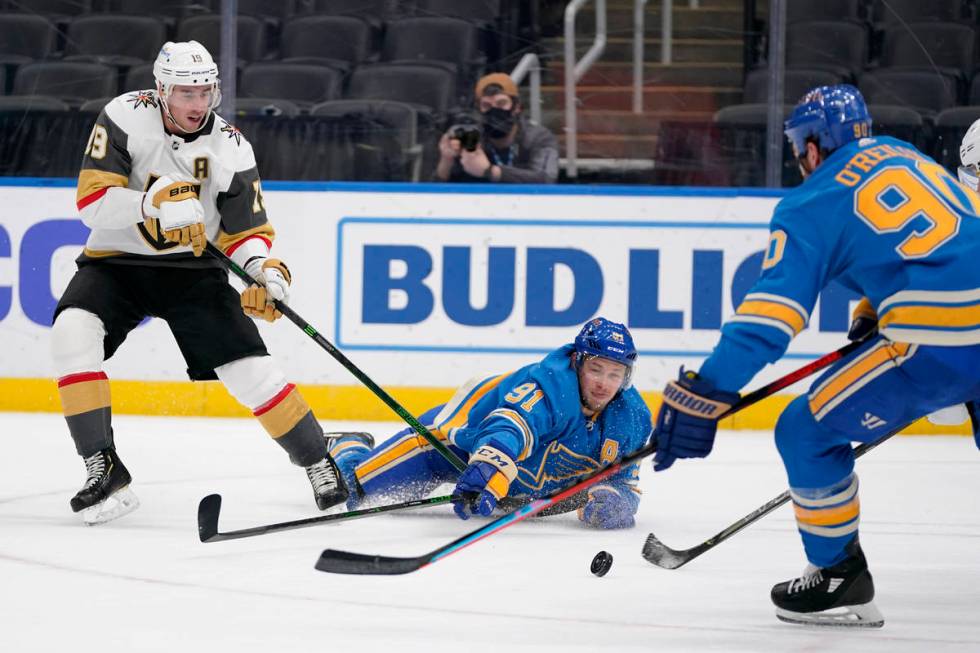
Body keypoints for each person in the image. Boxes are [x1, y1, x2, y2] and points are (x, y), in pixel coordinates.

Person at [648, 85, 980, 627]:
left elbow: (768, 318)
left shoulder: (811, 200)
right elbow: (958, 235)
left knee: (804, 430)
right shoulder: (905, 155)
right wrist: (875, 308)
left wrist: (708, 389)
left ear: (810, 146)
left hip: (937, 336)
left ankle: (837, 576)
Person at [52, 40, 348, 525]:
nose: (197, 104)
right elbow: (91, 205)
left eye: (206, 92)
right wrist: (154, 201)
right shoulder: (124, 116)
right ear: (161, 89)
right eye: (186, 93)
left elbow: (245, 232)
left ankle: (319, 462)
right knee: (71, 335)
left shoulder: (231, 147)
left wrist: (263, 270)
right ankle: (102, 468)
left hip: (192, 272)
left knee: (249, 371)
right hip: (115, 263)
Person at [326, 318, 652, 529]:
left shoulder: (632, 418)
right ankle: (349, 444)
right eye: (596, 369)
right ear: (577, 362)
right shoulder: (548, 388)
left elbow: (625, 480)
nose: (603, 384)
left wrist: (617, 502)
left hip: (514, 484)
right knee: (352, 492)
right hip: (449, 449)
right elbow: (510, 426)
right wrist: (488, 466)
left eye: (615, 374)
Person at [433, 72, 559, 184]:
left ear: (516, 107)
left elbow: (546, 178)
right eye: (486, 105)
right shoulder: (471, 138)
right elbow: (434, 194)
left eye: (501, 103)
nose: (494, 110)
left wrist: (491, 172)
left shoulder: (539, 137)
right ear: (479, 111)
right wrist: (446, 160)